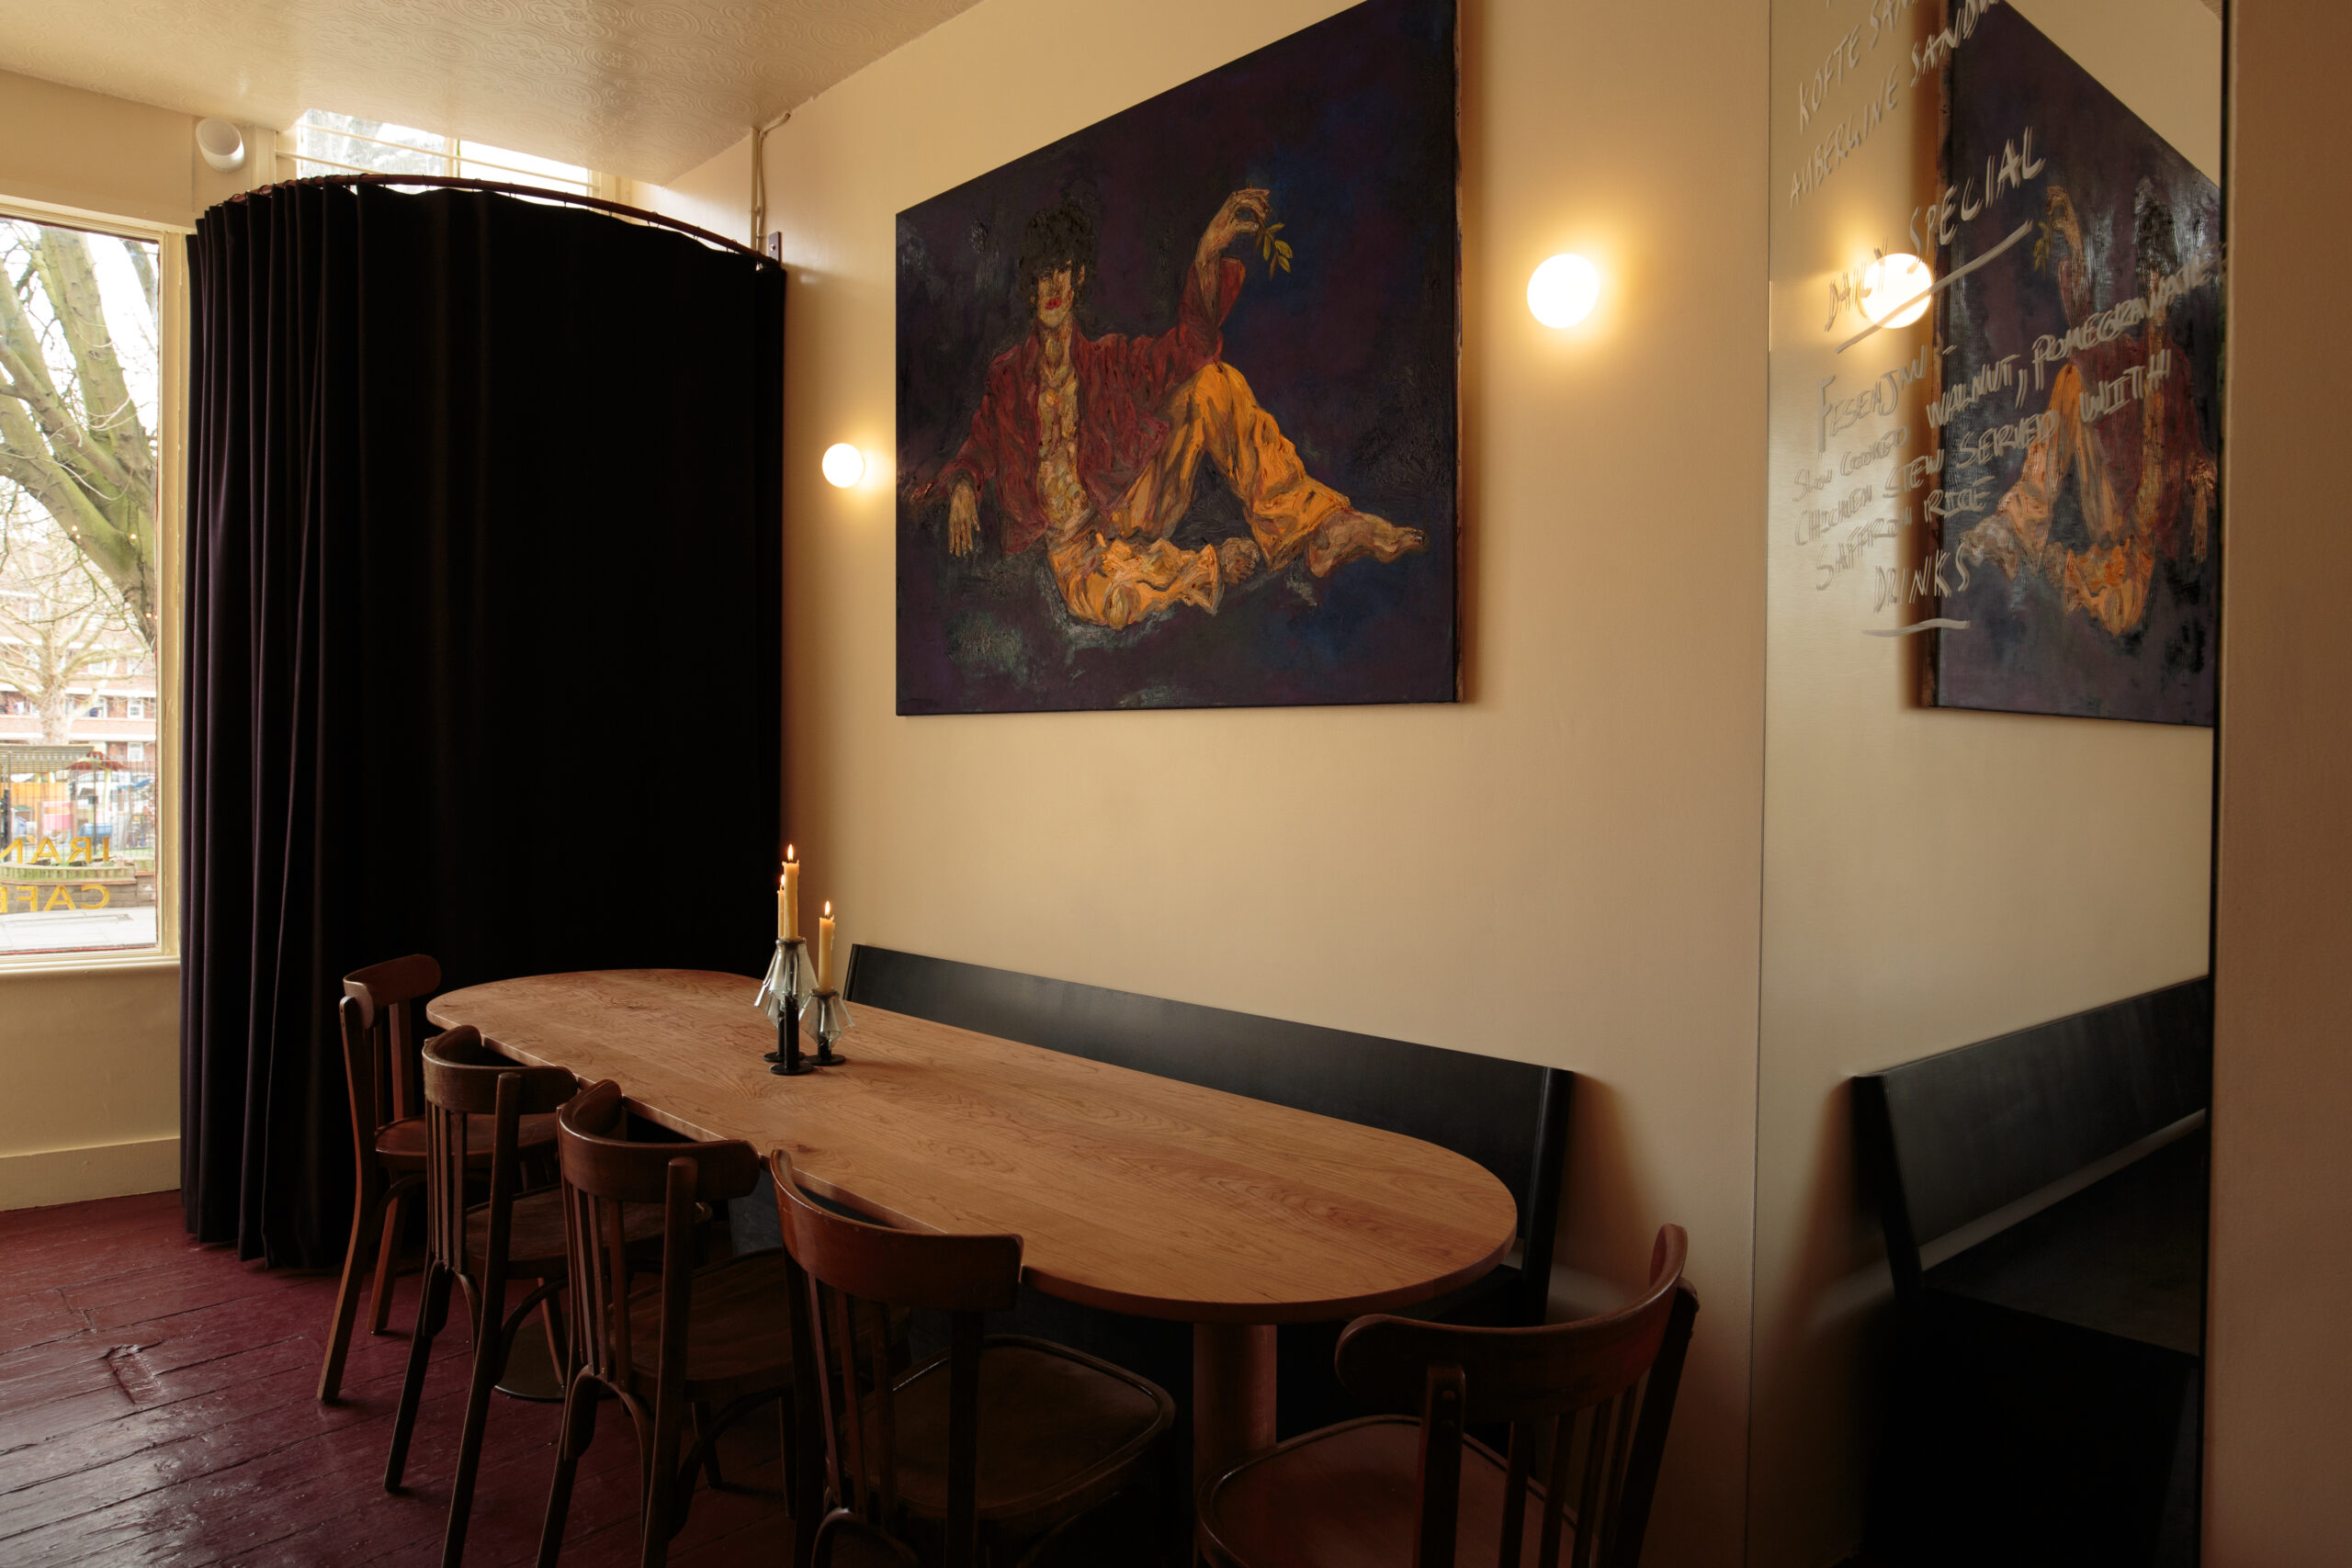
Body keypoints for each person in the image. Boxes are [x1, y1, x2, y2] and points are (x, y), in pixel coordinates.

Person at [926, 193, 1423, 630]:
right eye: (1041, 275)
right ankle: (1204, 567)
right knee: (1112, 601)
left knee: (1211, 381)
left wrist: (1207, 253)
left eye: (1062, 271)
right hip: (1073, 548)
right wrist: (964, 484)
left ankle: (1318, 527)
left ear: (1077, 279)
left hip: (1132, 505)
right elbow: (980, 444)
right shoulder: (1007, 377)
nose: (1052, 285)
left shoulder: (1109, 361)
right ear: (1030, 288)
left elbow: (1190, 347)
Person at [1956, 185, 2215, 637]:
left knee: (2079, 378)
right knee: (2075, 379)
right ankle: (2016, 523)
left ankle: (2052, 545)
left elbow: (2192, 450)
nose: (2156, 288)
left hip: (2144, 527)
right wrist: (2075, 249)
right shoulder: (2130, 357)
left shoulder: (2177, 370)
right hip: (2113, 500)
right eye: (2150, 276)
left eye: (2163, 279)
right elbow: (2085, 339)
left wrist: (2202, 486)